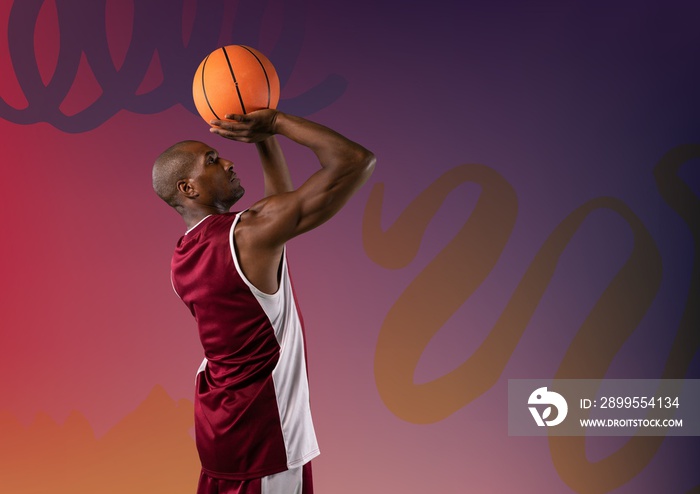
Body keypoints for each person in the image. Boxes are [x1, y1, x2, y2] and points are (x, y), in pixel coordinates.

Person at [152, 109, 375, 494]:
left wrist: (262, 140)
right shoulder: (251, 235)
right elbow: (355, 162)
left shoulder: (181, 259)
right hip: (266, 442)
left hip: (220, 433)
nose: (226, 161)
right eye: (211, 161)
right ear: (188, 188)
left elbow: (277, 208)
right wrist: (276, 124)